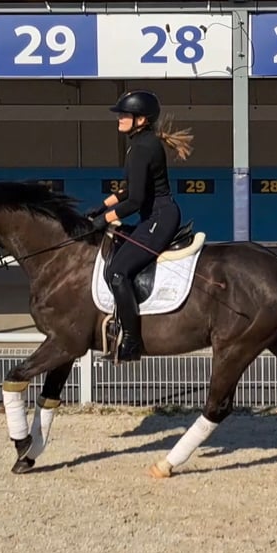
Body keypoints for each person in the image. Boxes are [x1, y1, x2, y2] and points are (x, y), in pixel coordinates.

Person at [87, 90, 194, 362]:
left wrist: (104, 220)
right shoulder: (140, 144)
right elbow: (125, 191)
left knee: (118, 272)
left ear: (141, 120)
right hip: (154, 217)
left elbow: (134, 201)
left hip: (159, 219)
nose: (119, 119)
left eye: (124, 115)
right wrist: (101, 207)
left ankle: (132, 342)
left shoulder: (143, 148)